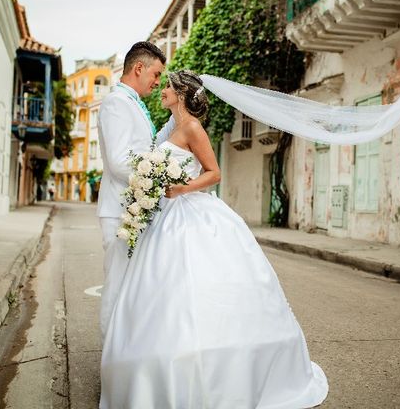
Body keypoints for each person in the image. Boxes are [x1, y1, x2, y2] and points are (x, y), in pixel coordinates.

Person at [100, 70, 328, 408]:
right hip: (166, 215)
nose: (162, 90)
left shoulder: (192, 127)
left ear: (181, 93)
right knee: (161, 292)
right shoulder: (174, 128)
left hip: (190, 211)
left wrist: (180, 188)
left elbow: (214, 173)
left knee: (199, 285)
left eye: (167, 87)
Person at [97, 42, 175, 338]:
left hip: (135, 206)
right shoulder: (116, 103)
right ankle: (110, 363)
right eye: (156, 74)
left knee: (133, 290)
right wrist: (158, 176)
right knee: (117, 287)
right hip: (120, 210)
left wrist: (179, 116)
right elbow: (119, 162)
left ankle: (125, 354)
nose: (157, 82)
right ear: (139, 68)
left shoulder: (133, 104)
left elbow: (147, 147)